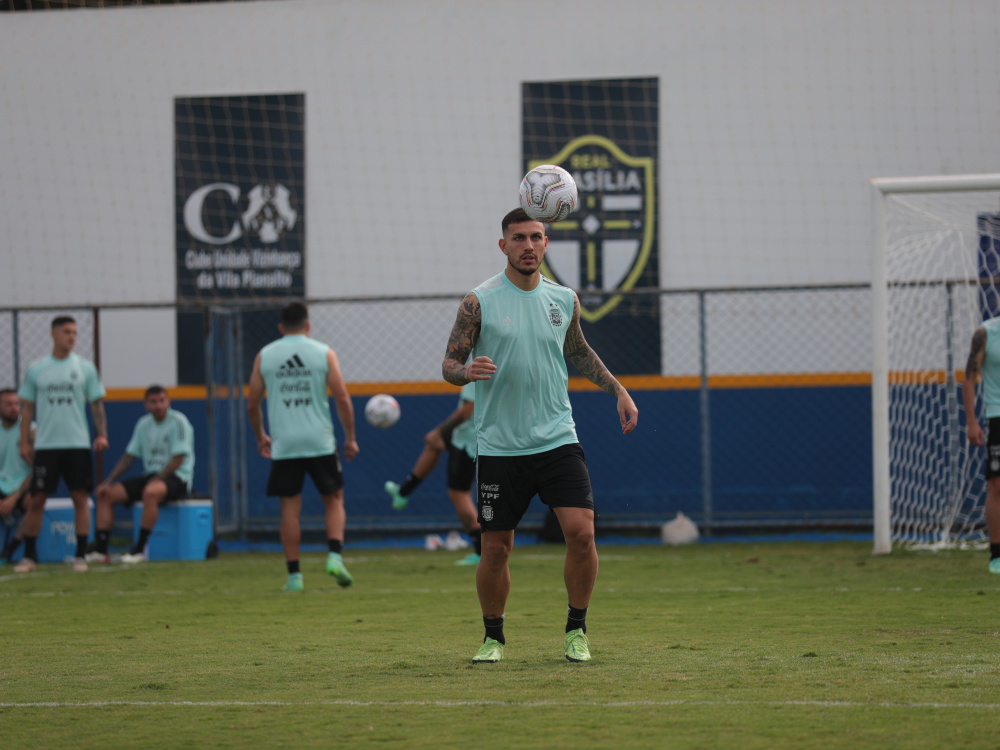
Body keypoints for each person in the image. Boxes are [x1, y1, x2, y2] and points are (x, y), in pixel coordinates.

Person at [442, 207, 638, 664]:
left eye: (536, 237)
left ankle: (576, 630)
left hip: (556, 438)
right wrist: (465, 371)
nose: (528, 246)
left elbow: (579, 351)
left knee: (582, 534)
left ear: (546, 243)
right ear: (503, 245)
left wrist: (619, 389)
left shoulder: (564, 299)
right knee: (495, 548)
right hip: (499, 445)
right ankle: (493, 638)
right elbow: (449, 364)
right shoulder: (479, 301)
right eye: (518, 238)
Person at [247, 301, 359, 591]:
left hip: (285, 444)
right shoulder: (323, 353)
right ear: (308, 326)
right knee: (334, 500)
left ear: (281, 327)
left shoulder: (265, 355)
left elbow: (251, 404)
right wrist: (350, 438)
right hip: (319, 441)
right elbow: (343, 398)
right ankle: (334, 555)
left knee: (289, 510)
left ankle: (294, 576)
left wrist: (261, 436)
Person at [15, 316, 108, 573]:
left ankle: (80, 555)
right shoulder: (37, 369)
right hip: (46, 446)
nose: (72, 337)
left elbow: (96, 404)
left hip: (77, 443)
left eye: (75, 332)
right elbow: (28, 408)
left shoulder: (85, 368)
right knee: (36, 500)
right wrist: (24, 442)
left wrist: (101, 434)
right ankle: (29, 557)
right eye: (67, 332)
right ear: (53, 334)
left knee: (80, 497)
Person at [86, 385, 195, 564]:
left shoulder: (179, 422)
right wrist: (108, 481)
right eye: (154, 402)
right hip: (152, 475)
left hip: (177, 477)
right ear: (146, 405)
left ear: (169, 402)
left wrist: (158, 478)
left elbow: (178, 459)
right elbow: (129, 457)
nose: (159, 405)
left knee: (150, 492)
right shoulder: (143, 424)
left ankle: (138, 550)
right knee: (105, 494)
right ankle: (101, 549)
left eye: (162, 401)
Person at [384, 381, 482, 565]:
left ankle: (481, 551)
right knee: (433, 444)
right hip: (470, 434)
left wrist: (438, 430)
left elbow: (467, 410)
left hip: (468, 439)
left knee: (458, 493)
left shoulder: (477, 366)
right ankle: (403, 492)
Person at [962, 321, 1000, 574]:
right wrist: (972, 421)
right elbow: (969, 378)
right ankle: (997, 554)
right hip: (997, 417)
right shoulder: (985, 334)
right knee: (996, 484)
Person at [0, 389, 33, 563]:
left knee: (35, 501)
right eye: (8, 404)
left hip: (22, 488)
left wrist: (15, 497)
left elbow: (36, 470)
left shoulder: (30, 431)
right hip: (1, 488)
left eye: (16, 404)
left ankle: (10, 551)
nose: (14, 408)